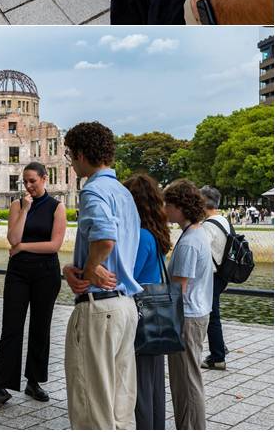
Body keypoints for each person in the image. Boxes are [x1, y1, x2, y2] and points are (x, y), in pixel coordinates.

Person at [61, 121, 141, 430]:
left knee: (91, 407)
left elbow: (106, 238)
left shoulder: (93, 189)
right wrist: (74, 267)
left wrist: (92, 266)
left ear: (81, 153)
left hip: (99, 308)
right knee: (120, 406)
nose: (70, 161)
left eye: (70, 154)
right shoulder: (122, 192)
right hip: (125, 306)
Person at [0, 162, 67, 409]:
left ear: (44, 179)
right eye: (25, 181)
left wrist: (22, 247)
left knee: (40, 327)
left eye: (32, 180)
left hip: (46, 273)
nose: (28, 186)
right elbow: (12, 238)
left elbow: (54, 246)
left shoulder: (58, 207)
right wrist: (25, 210)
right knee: (11, 328)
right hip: (18, 273)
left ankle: (34, 382)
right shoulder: (17, 205)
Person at [122, 173, 174, 430]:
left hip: (140, 314)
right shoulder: (155, 233)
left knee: (141, 383)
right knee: (153, 383)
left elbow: (128, 279)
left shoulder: (140, 236)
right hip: (156, 316)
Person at [163, 180, 212, 430]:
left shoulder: (190, 241)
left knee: (186, 381)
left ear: (181, 207)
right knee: (188, 378)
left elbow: (177, 290)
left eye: (169, 205)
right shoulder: (197, 233)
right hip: (197, 313)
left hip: (188, 318)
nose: (166, 209)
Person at [199, 185, 232, 371]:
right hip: (221, 275)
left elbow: (200, 254)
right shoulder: (225, 221)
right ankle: (219, 349)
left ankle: (218, 357)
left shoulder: (208, 226)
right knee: (214, 315)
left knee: (212, 317)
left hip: (211, 277)